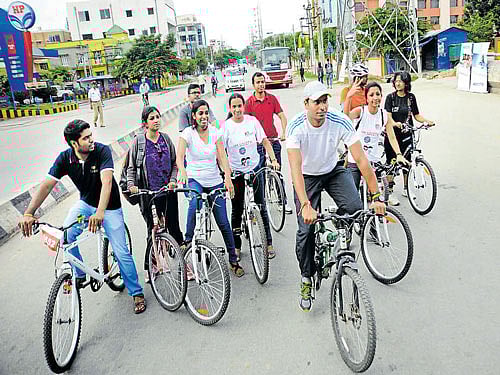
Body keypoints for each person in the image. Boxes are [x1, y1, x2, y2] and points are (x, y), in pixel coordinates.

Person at [19, 120, 146, 314]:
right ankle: (79, 274)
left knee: (121, 252)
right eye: (85, 138)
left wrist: (101, 212)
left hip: (109, 208)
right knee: (66, 238)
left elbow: (107, 183)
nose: (91, 140)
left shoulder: (102, 152)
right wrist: (29, 213)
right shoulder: (65, 159)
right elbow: (46, 186)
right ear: (74, 144)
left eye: (90, 135)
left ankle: (136, 293)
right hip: (86, 205)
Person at [286, 81, 385, 312]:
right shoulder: (296, 126)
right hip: (307, 176)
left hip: (332, 171)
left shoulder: (339, 120)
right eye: (317, 102)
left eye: (325, 101)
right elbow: (295, 168)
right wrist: (305, 205)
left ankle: (339, 234)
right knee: (306, 229)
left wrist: (377, 196)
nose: (322, 107)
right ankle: (306, 278)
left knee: (354, 208)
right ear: (306, 104)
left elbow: (361, 160)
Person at [176, 100, 244, 277]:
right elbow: (180, 156)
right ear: (194, 116)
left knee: (223, 222)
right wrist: (182, 171)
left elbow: (222, 158)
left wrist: (227, 179)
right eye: (200, 114)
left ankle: (233, 260)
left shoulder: (215, 133)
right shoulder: (187, 133)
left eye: (206, 113)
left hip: (214, 180)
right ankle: (188, 240)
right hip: (194, 179)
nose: (204, 117)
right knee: (194, 203)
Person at [127, 106, 184, 283]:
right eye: (152, 118)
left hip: (168, 191)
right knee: (152, 231)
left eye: (158, 117)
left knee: (174, 228)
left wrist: (173, 180)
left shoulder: (166, 139)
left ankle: (184, 265)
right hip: (149, 194)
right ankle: (150, 267)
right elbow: (131, 167)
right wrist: (131, 185)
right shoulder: (139, 142)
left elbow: (175, 163)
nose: (156, 120)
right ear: (145, 123)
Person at [224, 93, 280, 260]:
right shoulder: (226, 127)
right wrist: (227, 174)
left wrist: (273, 159)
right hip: (236, 172)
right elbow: (221, 151)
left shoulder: (252, 122)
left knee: (261, 205)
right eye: (233, 107)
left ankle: (268, 242)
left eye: (239, 106)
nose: (237, 110)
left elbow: (264, 141)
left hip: (255, 168)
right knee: (237, 209)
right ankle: (237, 246)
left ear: (244, 107)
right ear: (230, 108)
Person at [345, 82, 408, 201]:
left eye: (378, 94)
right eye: (371, 95)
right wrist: (349, 97)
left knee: (378, 197)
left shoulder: (384, 115)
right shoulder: (361, 111)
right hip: (356, 161)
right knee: (352, 198)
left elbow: (392, 137)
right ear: (366, 98)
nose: (375, 98)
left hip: (374, 161)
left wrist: (399, 154)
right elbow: (346, 117)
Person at [244, 72, 292, 214]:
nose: (261, 85)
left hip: (273, 140)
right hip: (257, 144)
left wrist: (284, 132)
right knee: (260, 175)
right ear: (253, 85)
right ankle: (261, 203)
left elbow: (282, 116)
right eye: (258, 82)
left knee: (277, 171)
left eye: (262, 82)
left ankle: (282, 202)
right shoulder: (249, 103)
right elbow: (246, 124)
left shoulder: (272, 99)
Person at [384, 71, 435, 204]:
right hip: (393, 134)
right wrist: (395, 124)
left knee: (407, 162)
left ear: (406, 82)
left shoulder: (411, 98)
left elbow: (416, 115)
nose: (397, 83)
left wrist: (426, 121)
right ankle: (389, 190)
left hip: (407, 134)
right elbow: (387, 116)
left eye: (400, 81)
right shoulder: (390, 98)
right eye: (396, 81)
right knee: (392, 162)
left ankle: (406, 188)